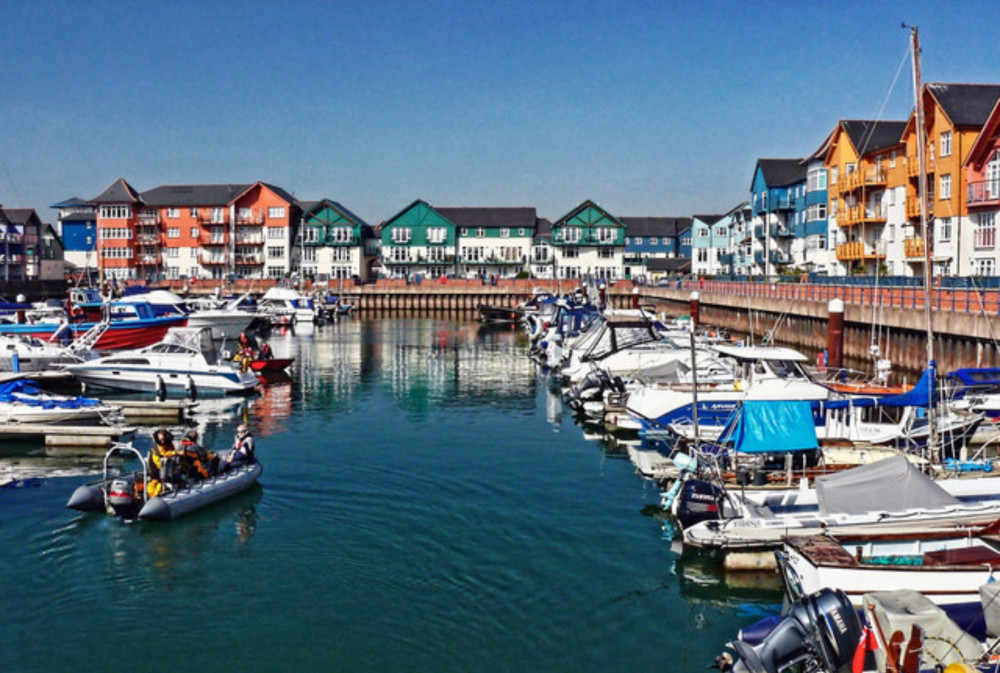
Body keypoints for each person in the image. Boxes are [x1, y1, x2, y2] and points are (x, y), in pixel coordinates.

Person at [147, 428, 179, 497]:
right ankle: (153, 496)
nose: (162, 441)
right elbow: (162, 453)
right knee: (154, 480)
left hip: (164, 465)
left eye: (163, 439)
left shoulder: (169, 442)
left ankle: (156, 494)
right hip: (155, 464)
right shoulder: (156, 444)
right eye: (161, 439)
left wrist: (174, 453)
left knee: (161, 480)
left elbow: (171, 450)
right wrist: (176, 452)